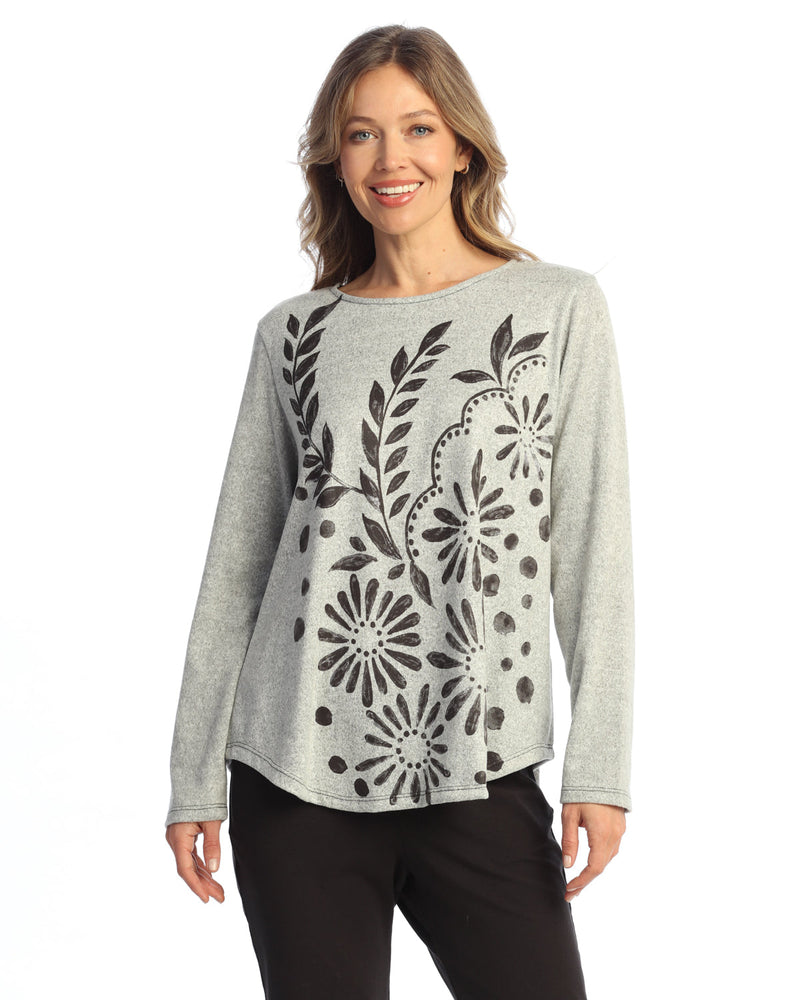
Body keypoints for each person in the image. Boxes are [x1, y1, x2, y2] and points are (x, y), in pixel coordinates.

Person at [165, 23, 634, 1000]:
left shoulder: (557, 310)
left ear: (461, 146)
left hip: (479, 760)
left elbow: (595, 551)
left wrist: (598, 767)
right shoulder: (295, 336)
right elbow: (238, 567)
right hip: (294, 777)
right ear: (335, 160)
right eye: (361, 134)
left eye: (417, 128)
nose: (391, 158)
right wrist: (193, 774)